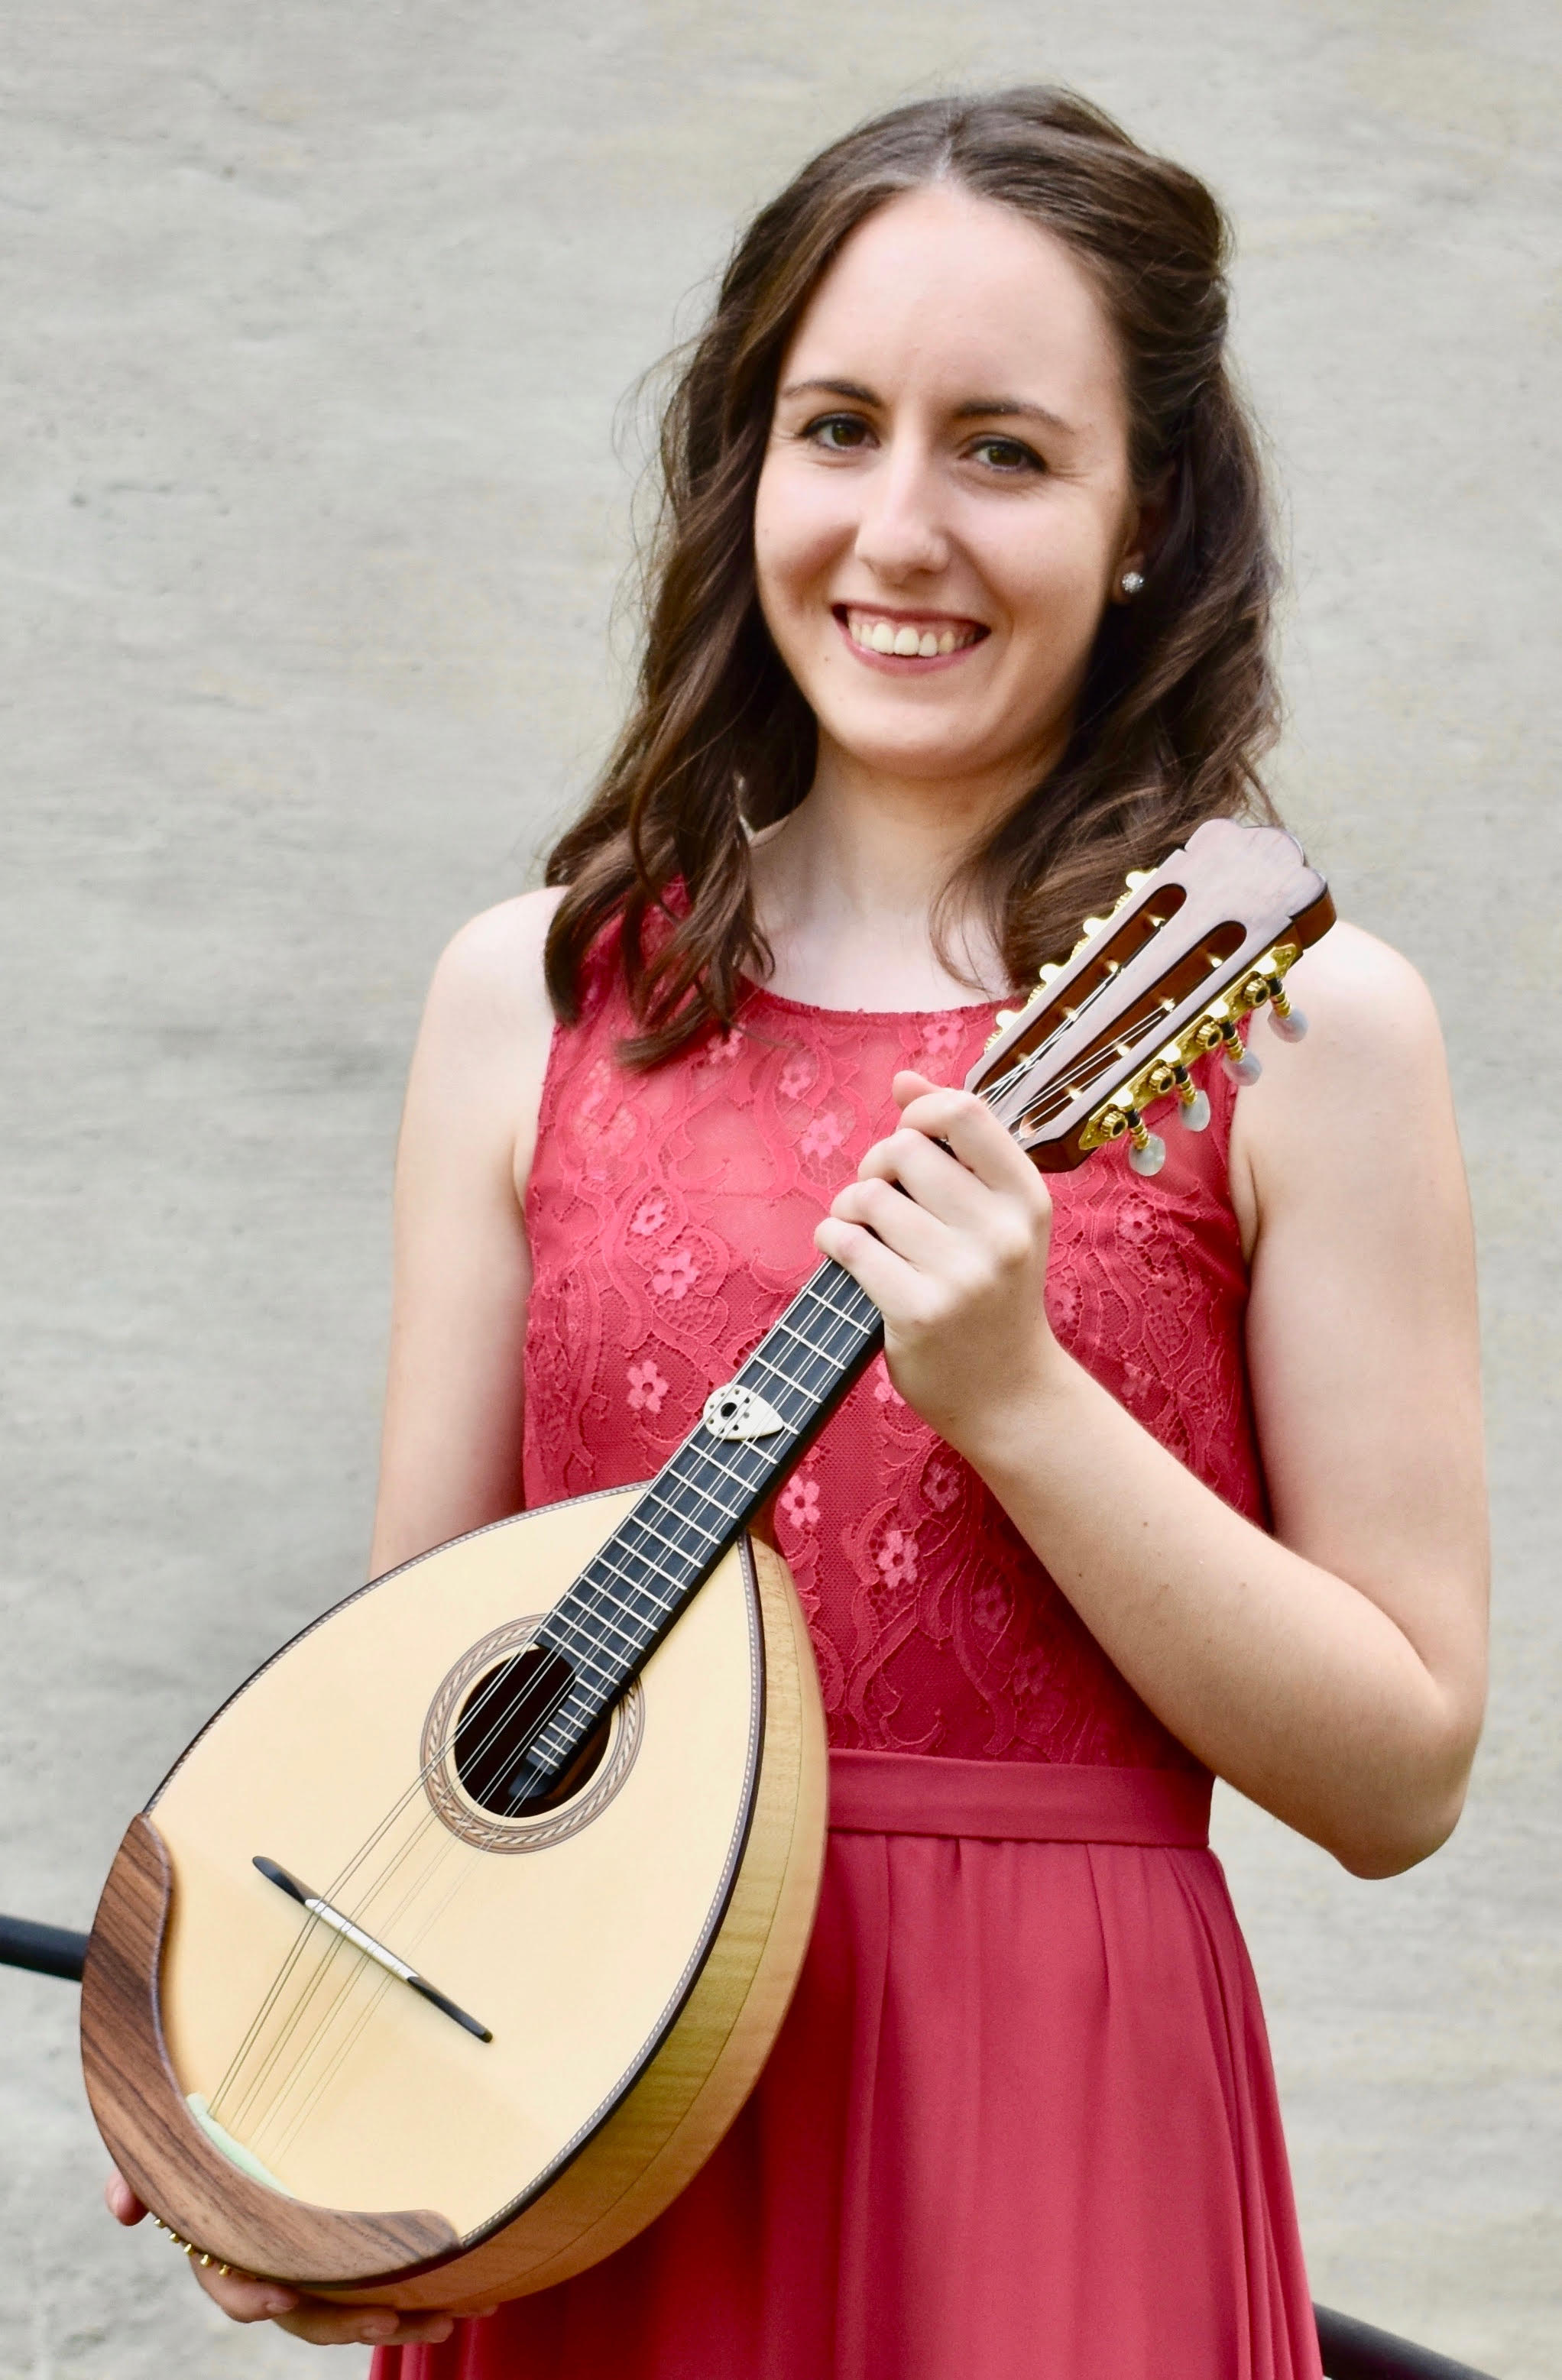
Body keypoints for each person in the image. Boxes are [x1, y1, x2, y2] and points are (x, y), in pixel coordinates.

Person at [107, 86, 1487, 2378]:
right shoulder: (526, 1000)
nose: (900, 526)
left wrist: (1025, 1403)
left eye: (1006, 451)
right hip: (577, 2119)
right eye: (837, 426)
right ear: (745, 463)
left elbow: (1400, 1767)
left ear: (1149, 515)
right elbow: (406, 1697)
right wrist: (282, 2115)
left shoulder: (1299, 1028)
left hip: (1052, 2130)